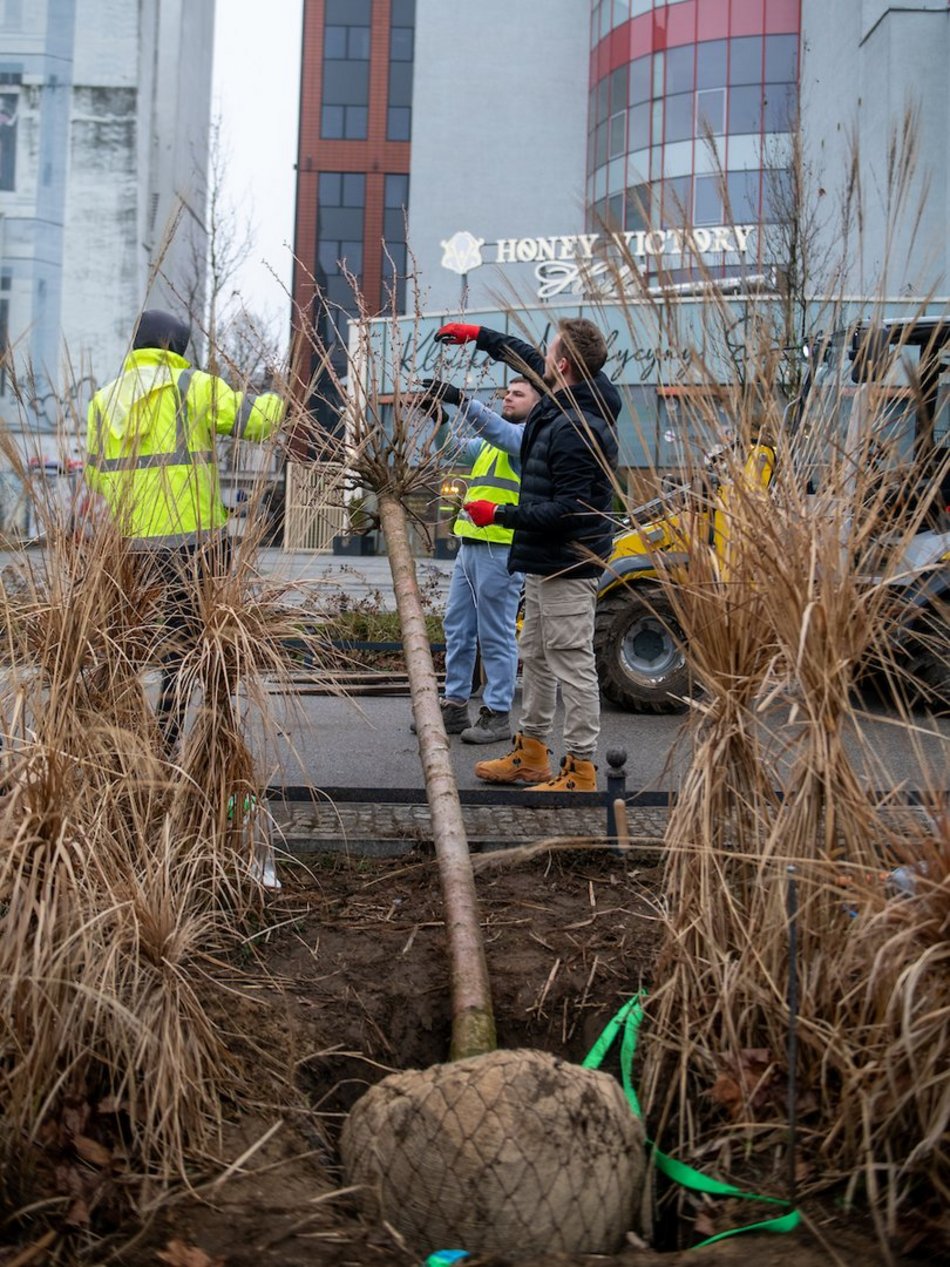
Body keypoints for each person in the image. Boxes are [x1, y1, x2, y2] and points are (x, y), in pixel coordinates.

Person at [432, 318, 620, 792]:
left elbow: (571, 511)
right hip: (542, 559)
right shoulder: (564, 397)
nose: (541, 357)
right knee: (535, 656)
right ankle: (532, 754)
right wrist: (480, 336)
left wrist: (499, 513)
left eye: (549, 351)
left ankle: (580, 768)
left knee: (571, 662)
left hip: (567, 563)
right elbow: (523, 356)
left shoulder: (577, 426)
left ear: (562, 365)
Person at [85, 309, 285, 749]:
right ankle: (173, 735)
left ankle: (118, 736)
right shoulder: (192, 386)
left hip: (130, 543)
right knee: (188, 641)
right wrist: (280, 395)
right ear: (176, 346)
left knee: (129, 641)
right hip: (195, 544)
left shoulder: (103, 399)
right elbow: (259, 422)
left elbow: (94, 475)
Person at [412, 376, 539, 743]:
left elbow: (500, 432)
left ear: (537, 405)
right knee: (458, 628)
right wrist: (440, 418)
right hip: (471, 545)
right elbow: (452, 450)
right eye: (507, 393)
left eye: (518, 394)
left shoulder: (527, 439)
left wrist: (462, 400)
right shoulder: (490, 444)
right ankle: (455, 705)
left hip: (500, 548)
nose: (508, 398)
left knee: (495, 633)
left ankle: (497, 714)